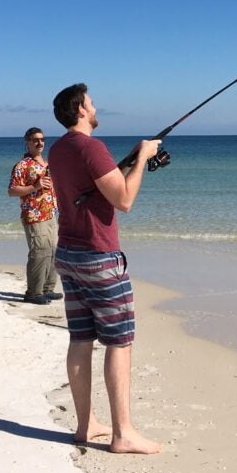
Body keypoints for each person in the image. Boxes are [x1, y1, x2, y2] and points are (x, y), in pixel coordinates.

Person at [48, 83, 163, 454]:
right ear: (80, 108)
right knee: (119, 342)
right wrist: (143, 157)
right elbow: (124, 200)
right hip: (99, 256)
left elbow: (96, 185)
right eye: (92, 102)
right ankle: (123, 433)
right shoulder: (91, 147)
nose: (97, 107)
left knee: (80, 338)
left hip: (68, 253)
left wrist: (127, 160)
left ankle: (85, 426)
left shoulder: (59, 148)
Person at [7, 127, 62, 304]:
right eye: (35, 140)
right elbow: (12, 190)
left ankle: (47, 288)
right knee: (39, 252)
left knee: (54, 251)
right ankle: (33, 293)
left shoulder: (46, 163)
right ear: (27, 142)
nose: (40, 143)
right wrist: (34, 187)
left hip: (51, 213)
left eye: (42, 139)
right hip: (34, 214)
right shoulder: (23, 165)